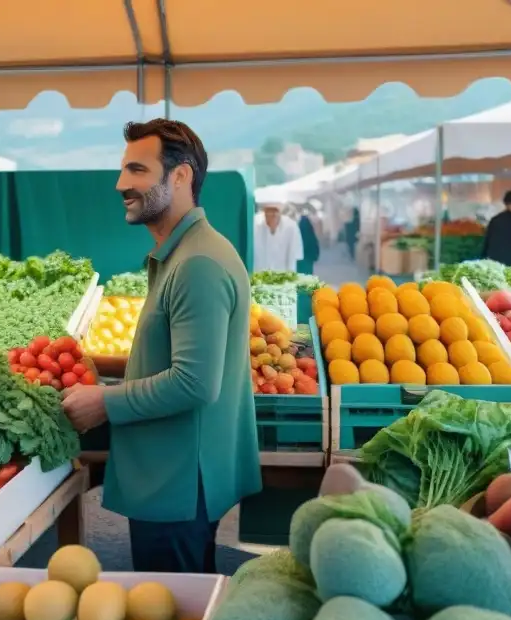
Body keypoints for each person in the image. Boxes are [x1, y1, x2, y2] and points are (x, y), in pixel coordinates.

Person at [61, 119, 261, 574]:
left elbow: (193, 383)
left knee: (172, 616)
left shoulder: (198, 264)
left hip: (177, 485)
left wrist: (105, 402)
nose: (121, 185)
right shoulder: (187, 253)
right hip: (176, 478)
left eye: (137, 170)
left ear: (181, 176)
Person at [254, 202, 303, 273]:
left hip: (283, 276)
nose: (273, 215)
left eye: (276, 211)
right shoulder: (254, 223)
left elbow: (295, 255)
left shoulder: (291, 227)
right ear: (264, 212)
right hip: (258, 274)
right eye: (270, 211)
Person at [297, 205, 321, 275]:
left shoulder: (299, 228)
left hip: (301, 258)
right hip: (308, 258)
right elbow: (314, 243)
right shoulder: (309, 230)